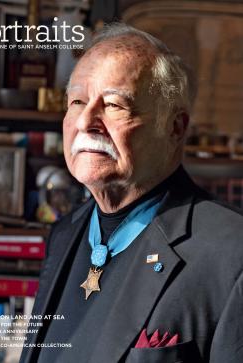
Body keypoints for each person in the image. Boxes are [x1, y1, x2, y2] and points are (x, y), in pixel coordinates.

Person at [20, 23, 243, 363]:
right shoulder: (64, 234)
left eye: (113, 105)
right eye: (78, 101)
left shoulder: (231, 253)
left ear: (174, 127)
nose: (86, 122)